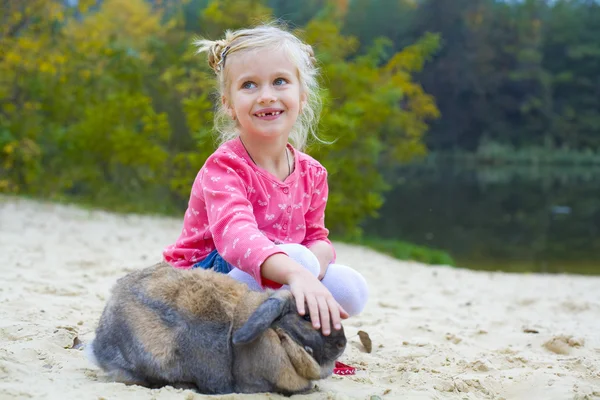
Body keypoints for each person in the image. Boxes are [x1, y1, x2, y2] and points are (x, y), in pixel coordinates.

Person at [163, 24, 368, 336]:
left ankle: (283, 324)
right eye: (249, 85)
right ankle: (267, 326)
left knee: (349, 286)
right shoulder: (226, 165)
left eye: (280, 81)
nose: (267, 96)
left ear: (302, 96)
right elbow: (236, 235)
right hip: (199, 284)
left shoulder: (312, 173)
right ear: (228, 104)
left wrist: (313, 271)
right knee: (296, 257)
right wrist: (298, 271)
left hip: (273, 275)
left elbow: (317, 236)